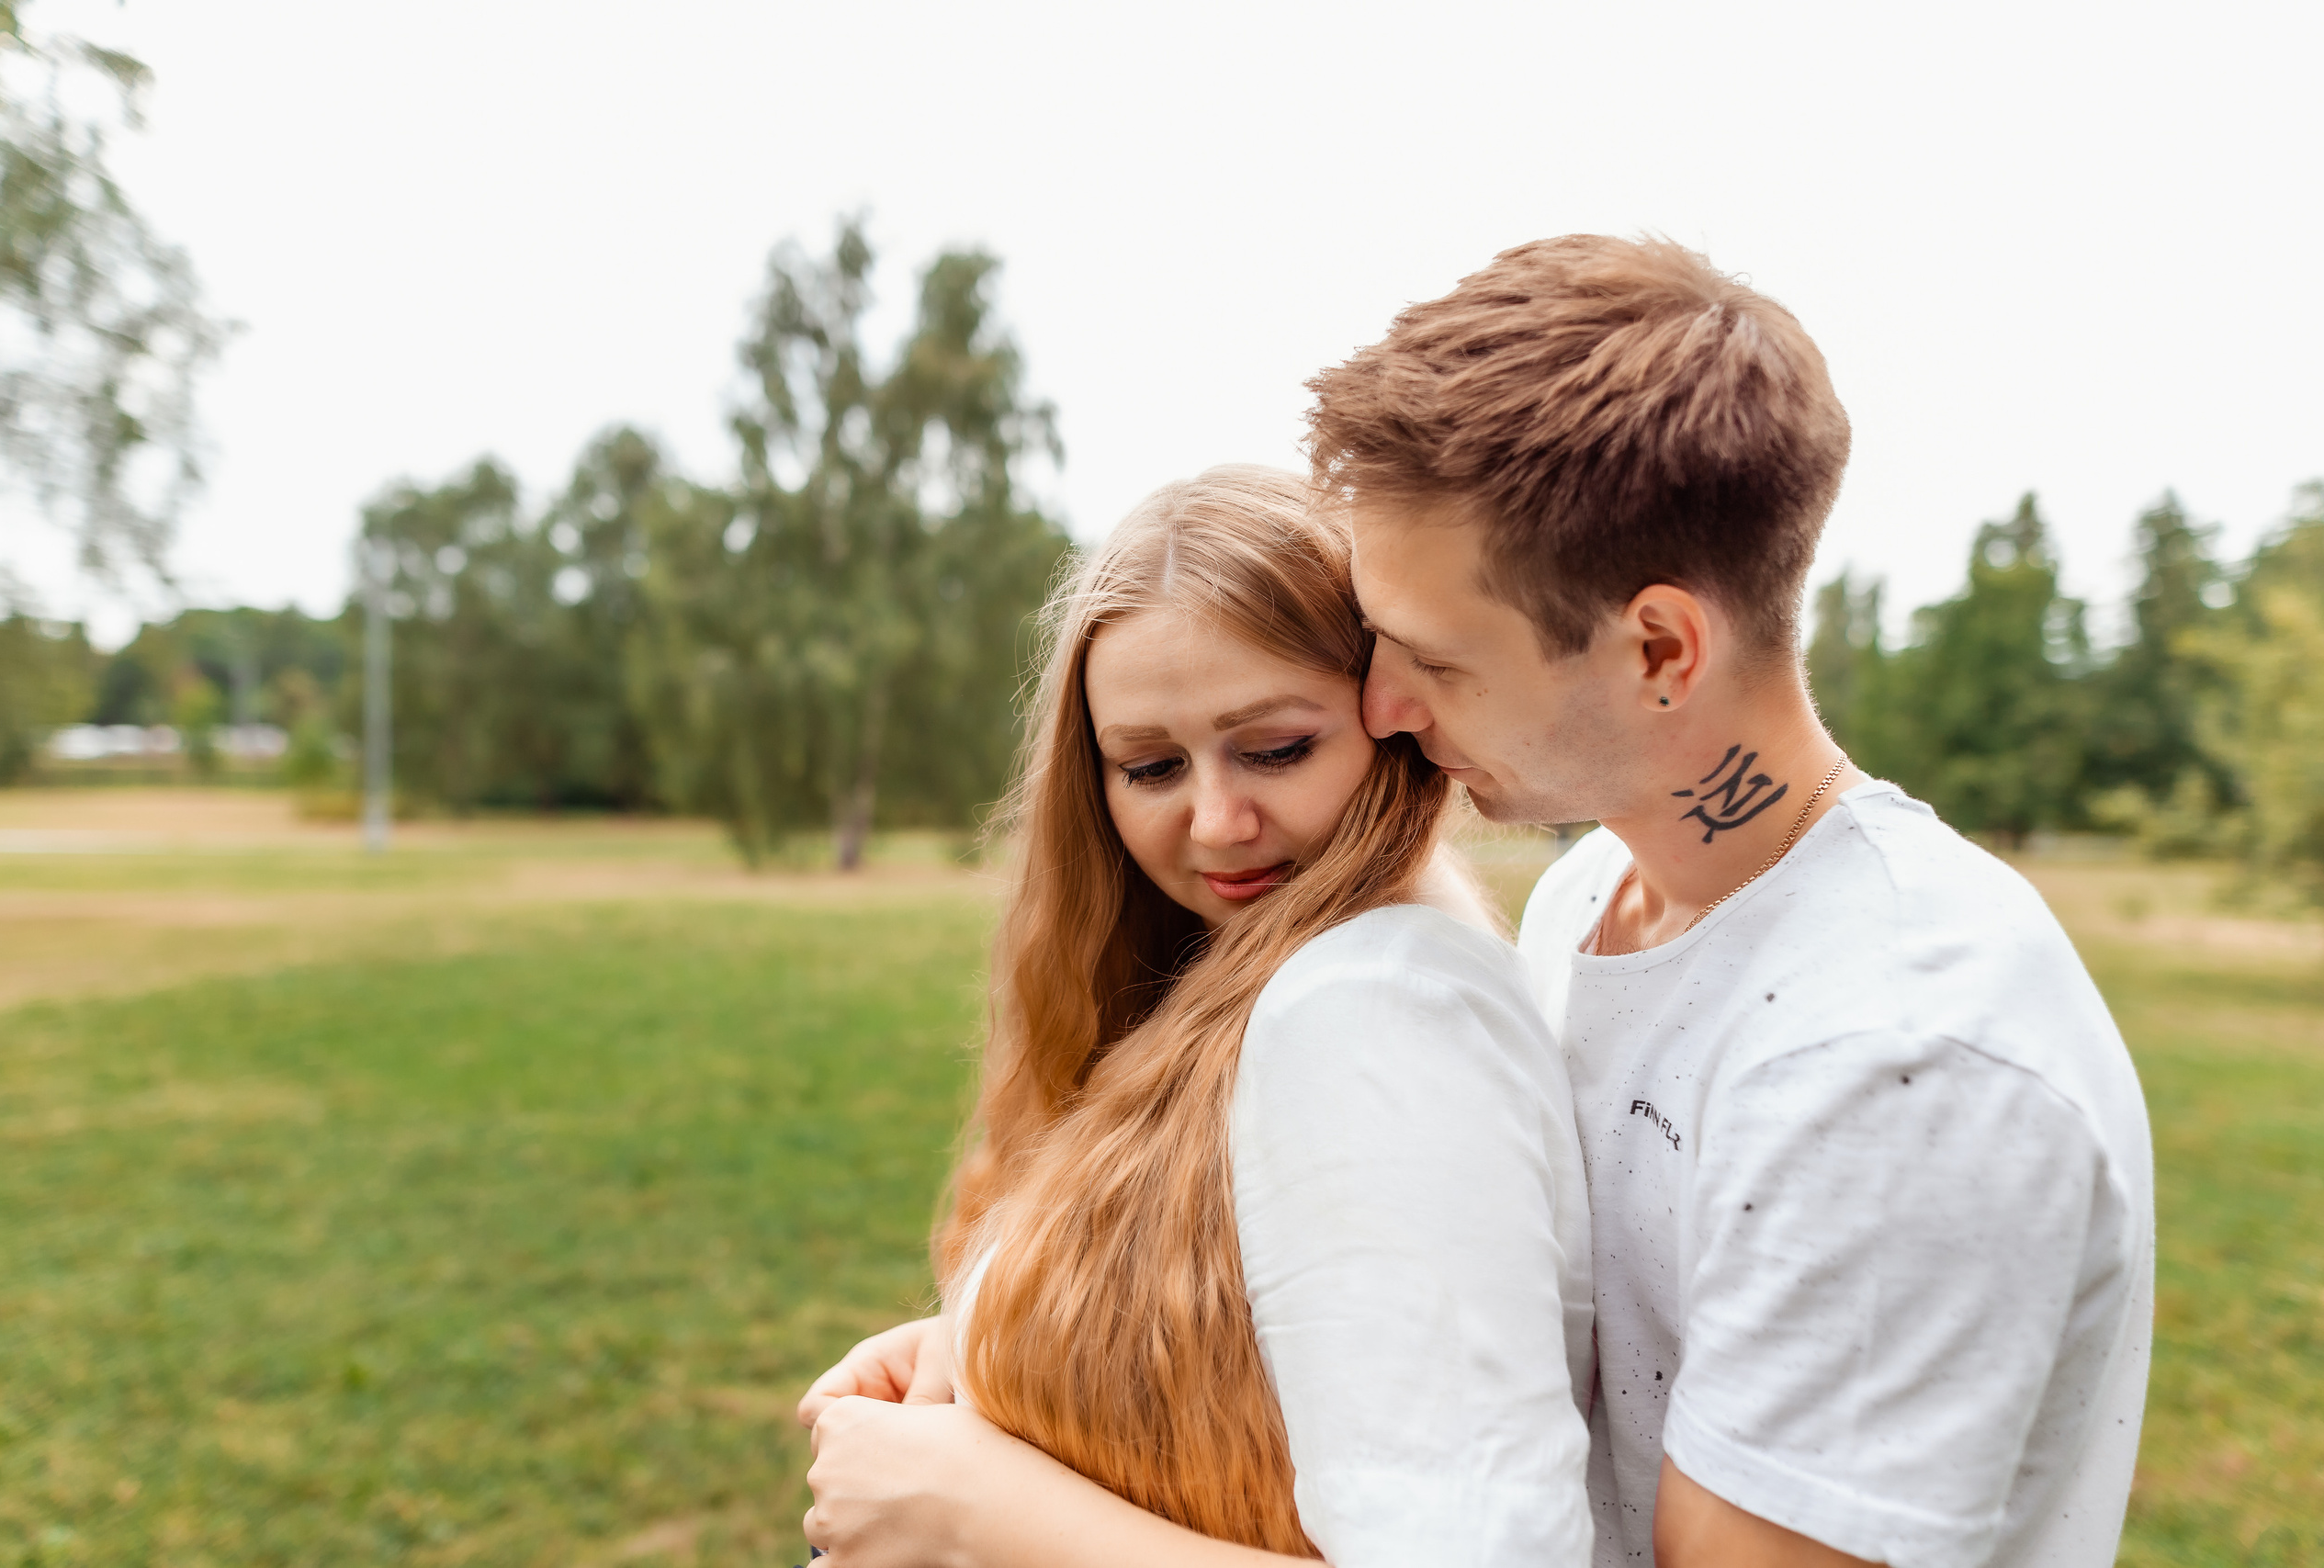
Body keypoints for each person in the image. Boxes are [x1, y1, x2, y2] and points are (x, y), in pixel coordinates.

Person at [802, 238, 2155, 1568]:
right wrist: (1028, 1356)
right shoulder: (1589, 902)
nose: (1384, 707)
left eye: (1433, 657)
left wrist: (984, 1513)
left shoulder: (1898, 1057)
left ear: (1660, 647)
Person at [803, 466, 1595, 1565]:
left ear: (1391, 716)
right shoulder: (1280, 977)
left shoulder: (1377, 1010)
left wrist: (963, 1503)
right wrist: (1003, 1339)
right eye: (1150, 766)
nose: (1217, 823)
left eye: (1274, 749)